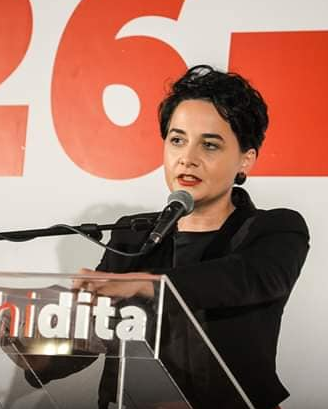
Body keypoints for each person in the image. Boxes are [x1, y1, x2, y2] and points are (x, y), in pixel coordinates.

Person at [21, 65, 309, 409]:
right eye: (177, 140)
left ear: (245, 160)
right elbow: (95, 337)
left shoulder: (275, 228)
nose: (188, 158)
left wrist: (146, 284)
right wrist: (39, 349)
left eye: (210, 145)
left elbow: (247, 278)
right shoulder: (132, 236)